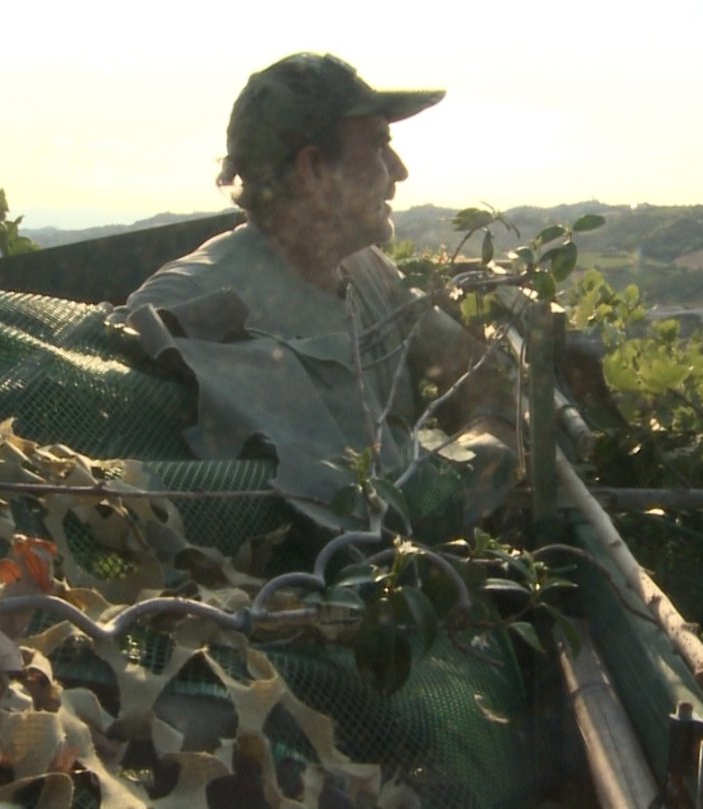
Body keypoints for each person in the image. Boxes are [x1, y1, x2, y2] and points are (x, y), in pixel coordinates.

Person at [115, 52, 517, 536]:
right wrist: (483, 460)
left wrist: (489, 429)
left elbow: (470, 365)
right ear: (314, 169)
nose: (399, 170)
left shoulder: (367, 270)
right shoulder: (185, 303)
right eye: (378, 145)